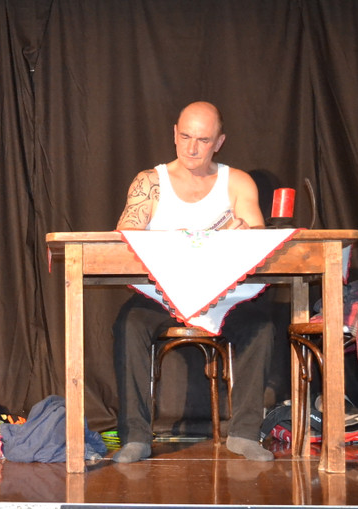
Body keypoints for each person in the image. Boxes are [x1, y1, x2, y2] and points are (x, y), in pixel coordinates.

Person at [112, 101, 276, 462]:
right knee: (129, 323)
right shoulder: (150, 182)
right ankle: (135, 436)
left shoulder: (236, 182)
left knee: (261, 325)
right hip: (162, 294)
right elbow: (123, 238)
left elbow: (258, 240)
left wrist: (244, 232)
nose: (191, 148)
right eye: (185, 136)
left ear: (219, 142)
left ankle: (245, 433)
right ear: (174, 134)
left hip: (223, 294)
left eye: (202, 140)